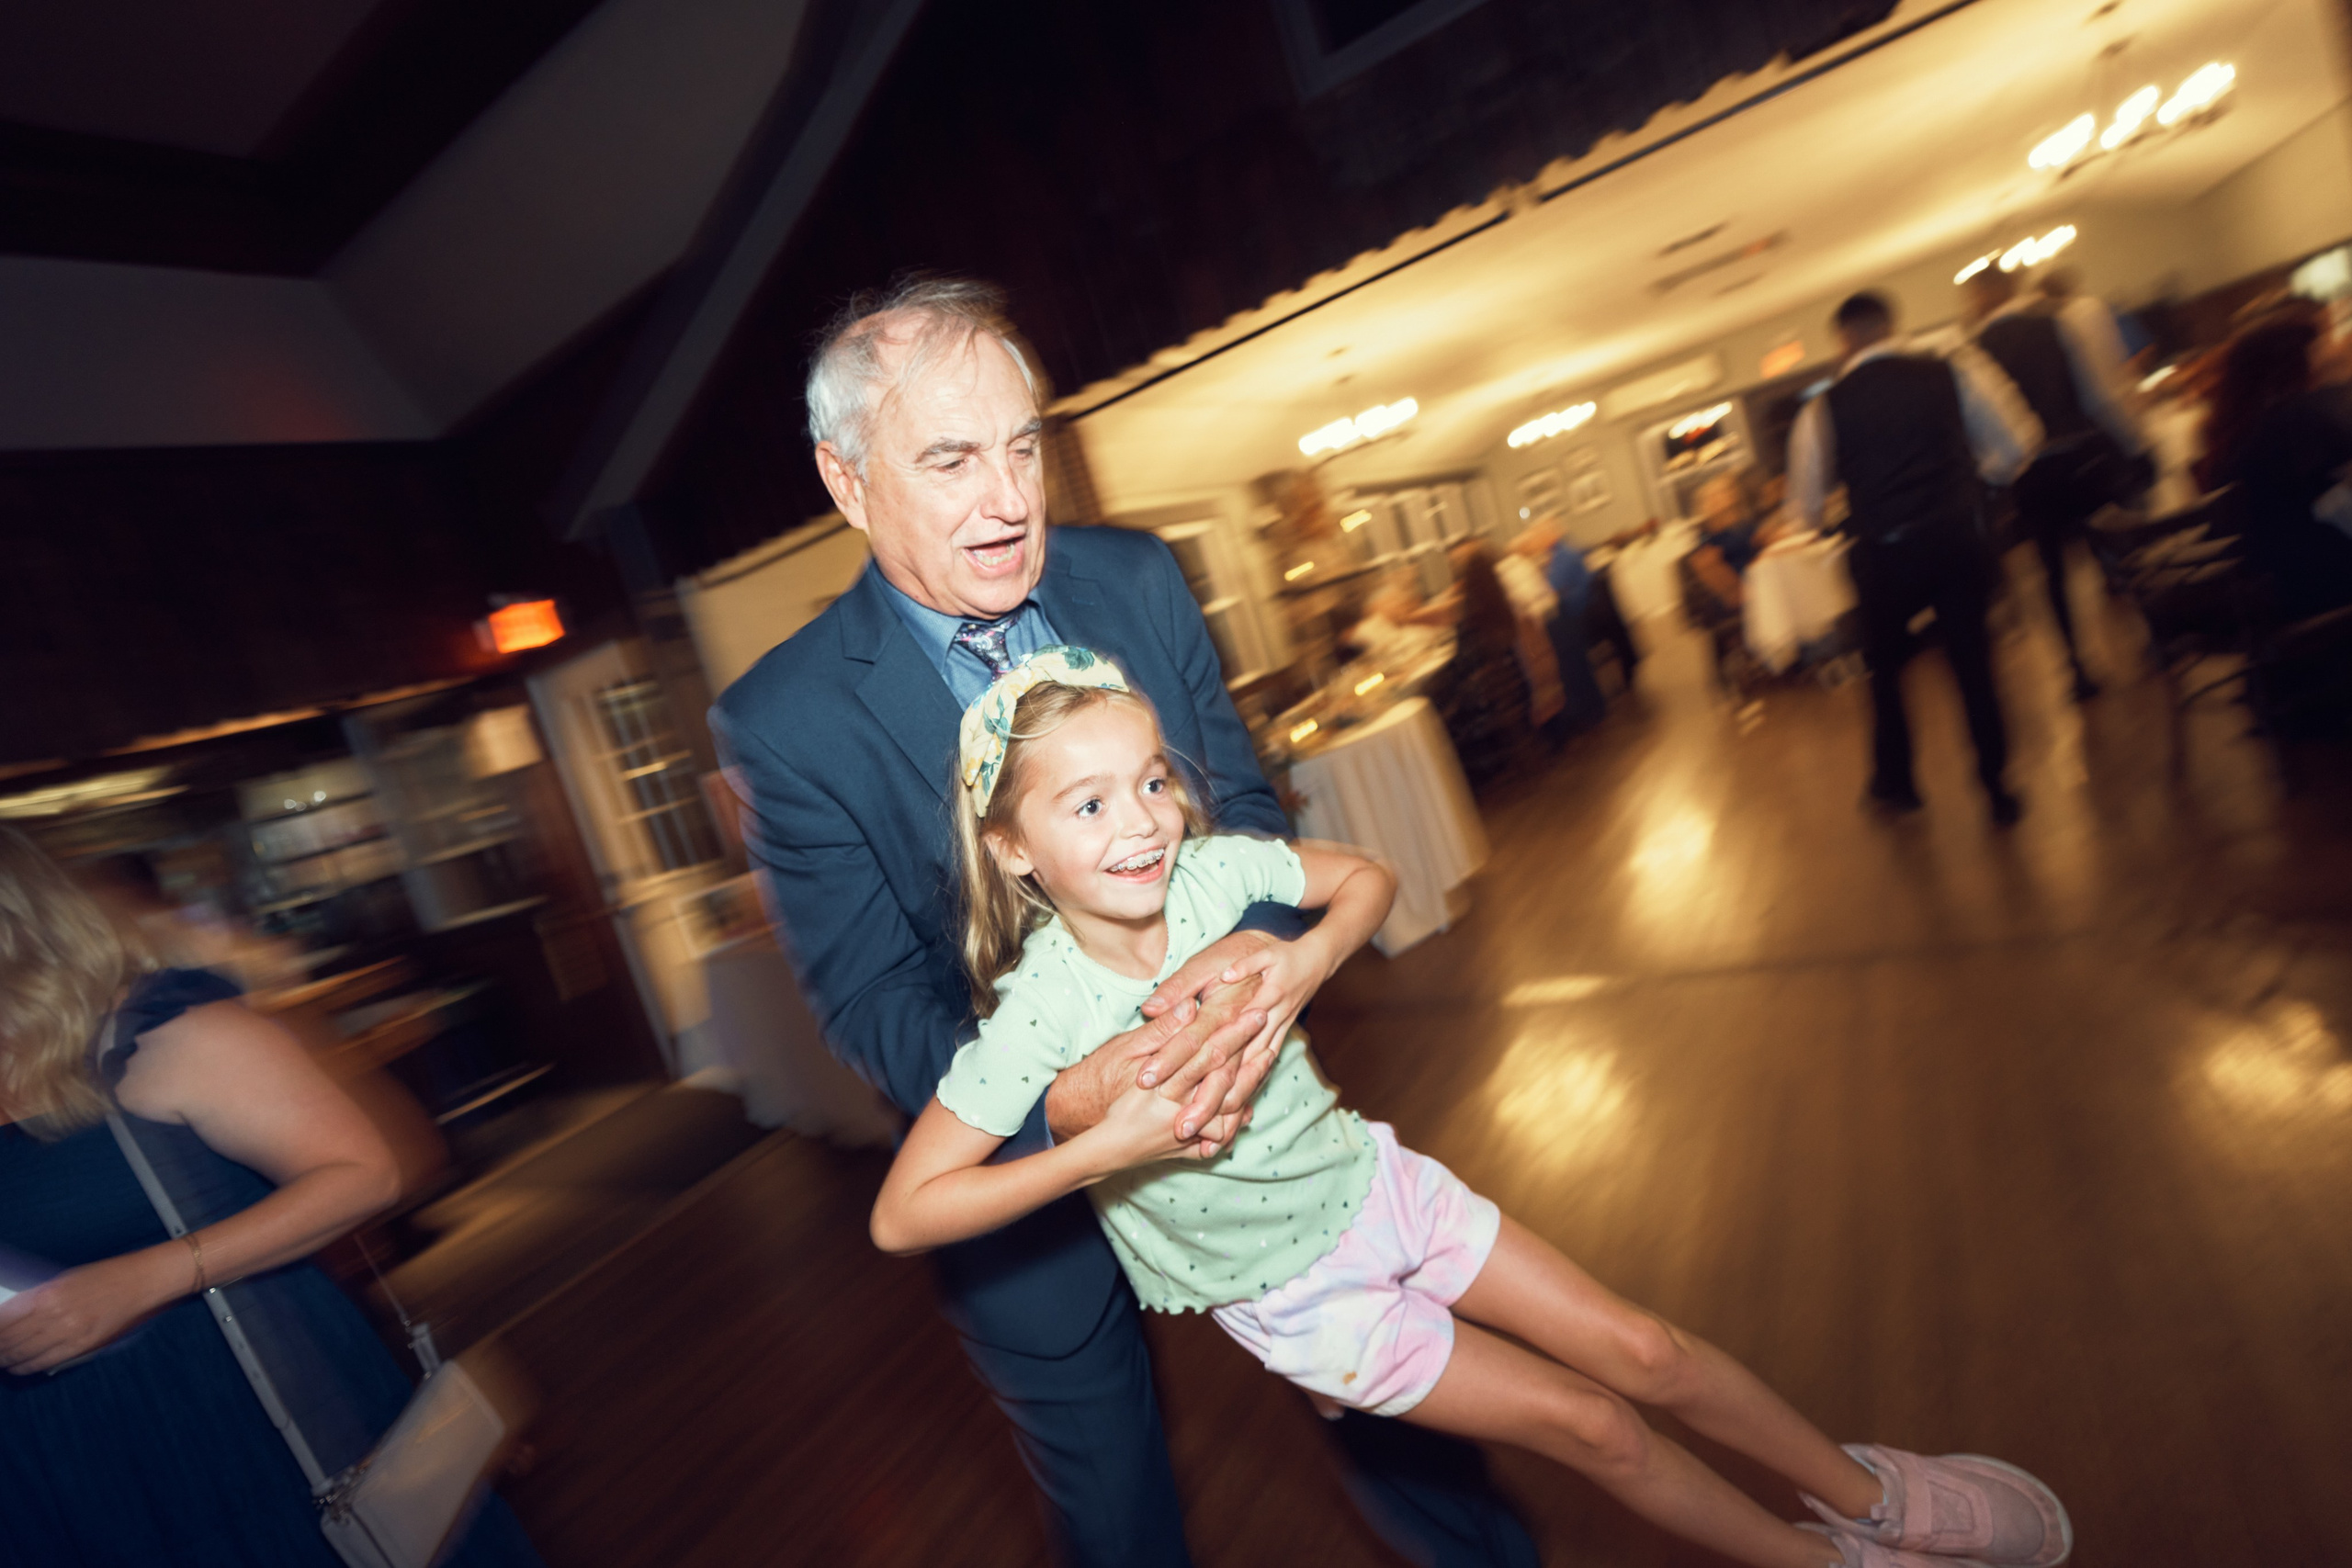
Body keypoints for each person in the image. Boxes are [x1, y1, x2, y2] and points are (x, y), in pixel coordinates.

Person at [872, 651, 2075, 1568]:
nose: (1140, 820)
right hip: (1303, 1303)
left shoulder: (1217, 871)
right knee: (1596, 1426)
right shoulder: (1037, 1013)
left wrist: (1303, 958)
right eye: (1086, 805)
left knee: (1646, 1350)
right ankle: (1829, 1563)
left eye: (1149, 780)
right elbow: (905, 1213)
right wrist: (1109, 1147)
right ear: (1012, 849)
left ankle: (1875, 1494)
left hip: (1380, 1185)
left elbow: (1369, 876)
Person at [709, 276, 1538, 1568]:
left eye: (1022, 445)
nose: (1009, 498)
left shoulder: (1137, 578)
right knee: (1116, 1516)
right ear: (848, 481)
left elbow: (1243, 807)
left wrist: (1237, 983)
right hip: (1021, 1176)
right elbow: (869, 1000)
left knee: (1413, 1430)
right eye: (950, 460)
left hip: (1242, 1103)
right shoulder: (785, 718)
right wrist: (1071, 1097)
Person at [0, 827, 542, 1568]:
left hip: (223, 1419)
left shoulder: (166, 1039)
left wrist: (142, 1280)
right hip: (48, 1460)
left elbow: (364, 1172)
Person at [1788, 291, 2038, 823]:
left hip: (1882, 553)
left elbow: (1804, 509)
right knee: (1974, 664)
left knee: (1886, 675)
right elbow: (2017, 443)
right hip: (1954, 540)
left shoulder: (1823, 408)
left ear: (1843, 340)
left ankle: (1897, 785)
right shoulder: (1950, 372)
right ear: (1891, 326)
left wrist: (1840, 506)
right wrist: (1973, 484)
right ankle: (1997, 787)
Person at [1962, 265, 2144, 700]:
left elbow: (1980, 431)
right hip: (2079, 454)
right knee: (2117, 549)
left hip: (2030, 472)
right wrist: (2130, 443)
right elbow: (2094, 394)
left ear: (1984, 294)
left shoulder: (1976, 352)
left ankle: (2075, 665)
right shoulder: (2053, 325)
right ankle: (2155, 635)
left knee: (2051, 571)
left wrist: (1997, 478)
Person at [2198, 313, 2352, 621]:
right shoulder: (2297, 424)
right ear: (2295, 363)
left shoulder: (2243, 432)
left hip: (2279, 600)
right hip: (2323, 605)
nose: (2333, 353)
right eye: (2321, 347)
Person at [1432, 540, 1544, 781]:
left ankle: (1467, 773)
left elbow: (1464, 657)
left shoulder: (1471, 608)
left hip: (1486, 689)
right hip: (1507, 681)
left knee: (1441, 706)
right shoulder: (1496, 597)